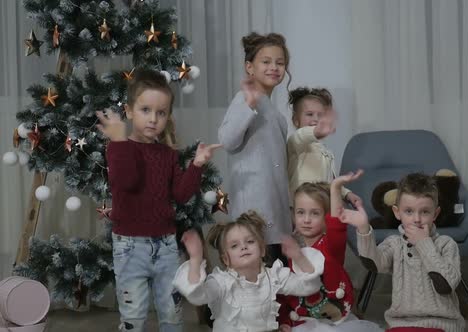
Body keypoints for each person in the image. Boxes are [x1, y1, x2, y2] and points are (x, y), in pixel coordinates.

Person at [96, 69, 221, 332]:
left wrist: (197, 165)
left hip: (165, 246)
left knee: (172, 316)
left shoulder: (167, 154)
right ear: (129, 111)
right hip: (130, 248)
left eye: (161, 113)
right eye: (145, 110)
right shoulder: (118, 148)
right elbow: (126, 181)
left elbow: (181, 195)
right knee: (134, 318)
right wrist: (118, 140)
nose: (153, 119)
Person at [336, 171, 464, 332]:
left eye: (424, 212)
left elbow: (445, 285)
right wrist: (363, 228)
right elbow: (374, 264)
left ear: (435, 214)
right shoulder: (394, 243)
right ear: (397, 212)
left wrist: (424, 243)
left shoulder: (446, 244)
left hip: (440, 324)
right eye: (409, 211)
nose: (416, 219)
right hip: (401, 324)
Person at [172, 211, 325, 332]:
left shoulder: (273, 276)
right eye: (234, 246)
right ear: (226, 259)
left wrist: (298, 257)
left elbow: (311, 286)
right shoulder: (222, 282)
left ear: (263, 249)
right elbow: (197, 296)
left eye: (250, 241)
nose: (244, 247)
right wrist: (195, 259)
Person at [218, 32, 292, 264]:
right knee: (256, 270)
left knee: (275, 273)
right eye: (266, 62)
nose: (274, 67)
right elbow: (227, 140)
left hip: (275, 205)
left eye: (280, 63)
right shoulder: (244, 99)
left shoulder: (275, 113)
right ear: (250, 67)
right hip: (254, 207)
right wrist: (248, 105)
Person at [278, 182, 382, 332]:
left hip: (333, 322)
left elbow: (336, 224)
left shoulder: (331, 246)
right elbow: (290, 293)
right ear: (294, 215)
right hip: (303, 320)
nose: (306, 219)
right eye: (301, 212)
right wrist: (285, 320)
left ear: (326, 217)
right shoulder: (293, 248)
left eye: (315, 213)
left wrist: (335, 189)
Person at [286, 87, 361, 206]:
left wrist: (347, 194)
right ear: (296, 120)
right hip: (300, 206)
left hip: (322, 206)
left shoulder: (326, 152)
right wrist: (316, 131)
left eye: (320, 115)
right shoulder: (296, 144)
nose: (315, 119)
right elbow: (302, 135)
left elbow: (330, 182)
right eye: (309, 114)